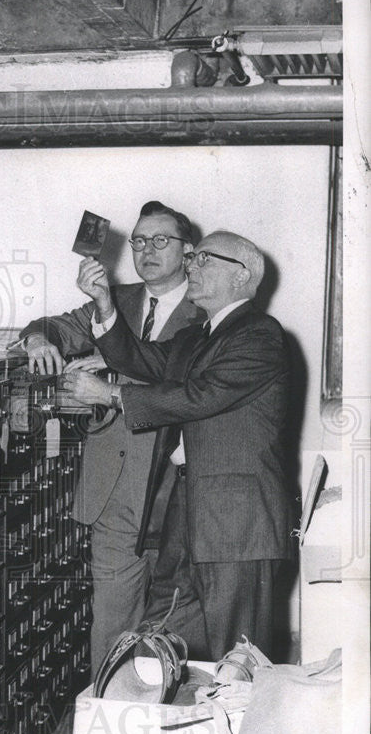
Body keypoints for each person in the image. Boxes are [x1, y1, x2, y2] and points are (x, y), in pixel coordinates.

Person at [62, 230, 294, 661]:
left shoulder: (259, 335)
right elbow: (141, 358)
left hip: (236, 525)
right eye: (194, 258)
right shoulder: (195, 337)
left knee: (237, 656)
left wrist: (109, 394)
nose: (191, 266)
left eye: (205, 259)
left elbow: (202, 396)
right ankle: (157, 722)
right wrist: (105, 304)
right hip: (186, 507)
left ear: (241, 276)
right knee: (162, 636)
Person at [18, 201, 205, 671]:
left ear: (188, 252)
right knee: (112, 622)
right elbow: (55, 326)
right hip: (115, 490)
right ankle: (109, 724)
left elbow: (179, 377)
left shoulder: (206, 307)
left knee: (175, 624)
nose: (147, 250)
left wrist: (111, 369)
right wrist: (38, 340)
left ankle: (162, 728)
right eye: (140, 241)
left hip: (175, 490)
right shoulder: (118, 299)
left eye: (161, 240)